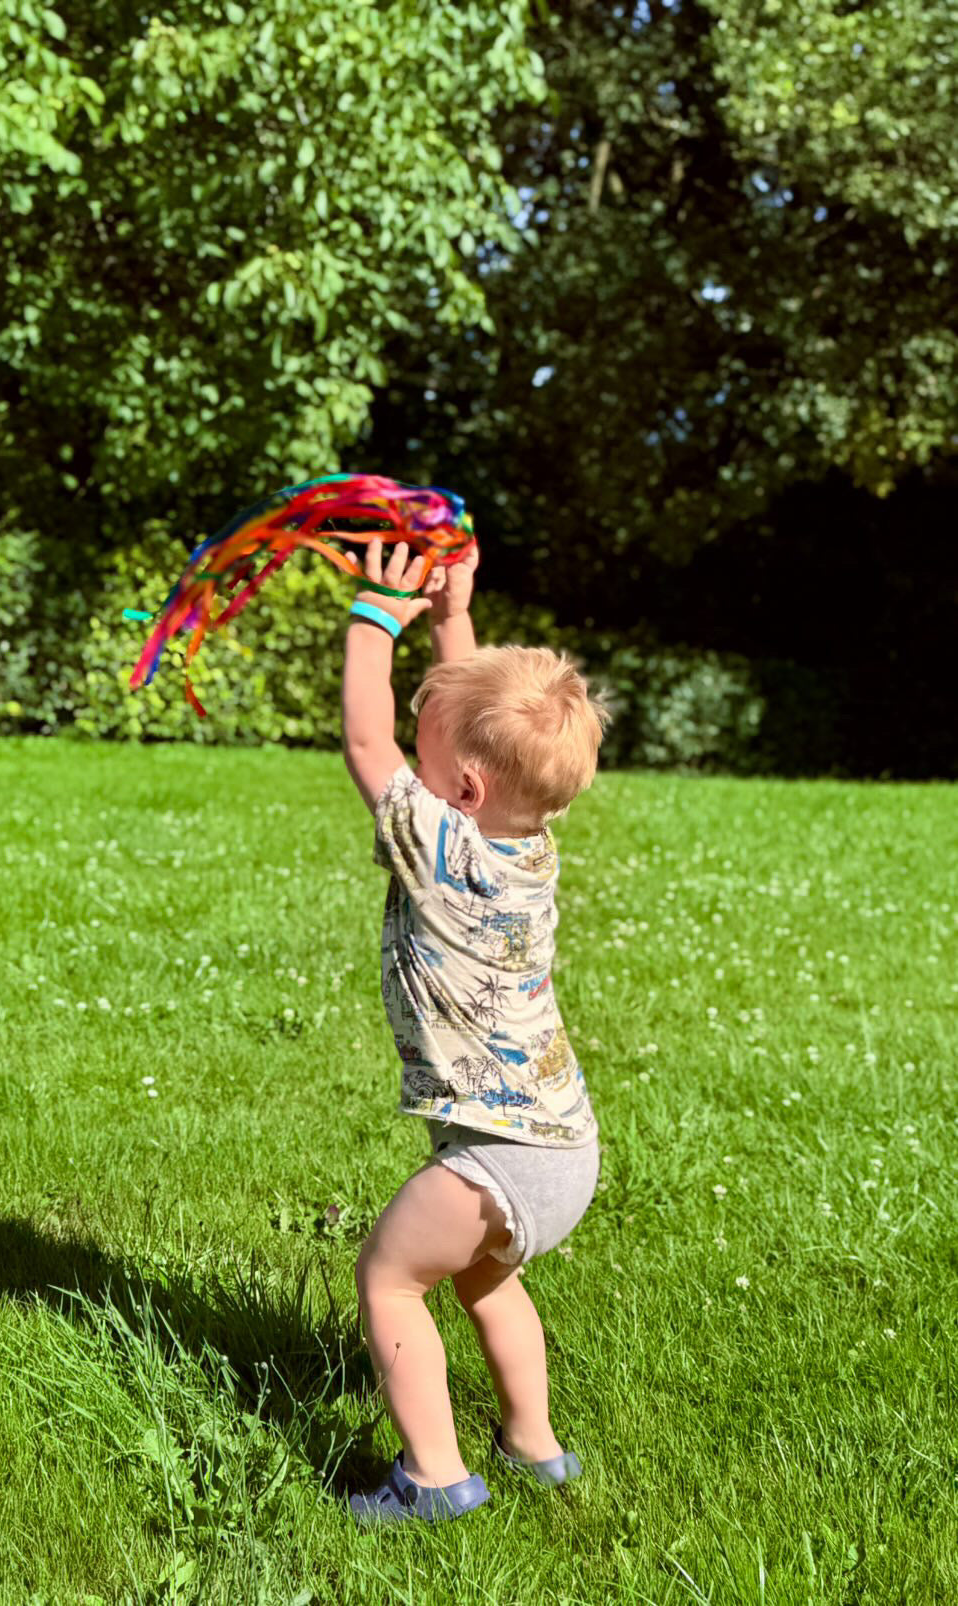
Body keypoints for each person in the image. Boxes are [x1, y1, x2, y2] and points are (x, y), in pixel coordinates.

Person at [341, 534, 609, 1525]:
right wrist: (454, 614)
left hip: (497, 1153)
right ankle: (533, 1443)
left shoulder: (443, 849)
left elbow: (368, 744)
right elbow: (477, 731)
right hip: (562, 1147)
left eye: (431, 757)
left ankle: (435, 1477)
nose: (411, 765)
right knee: (487, 1283)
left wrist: (375, 616)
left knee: (391, 1278)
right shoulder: (525, 839)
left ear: (460, 792)